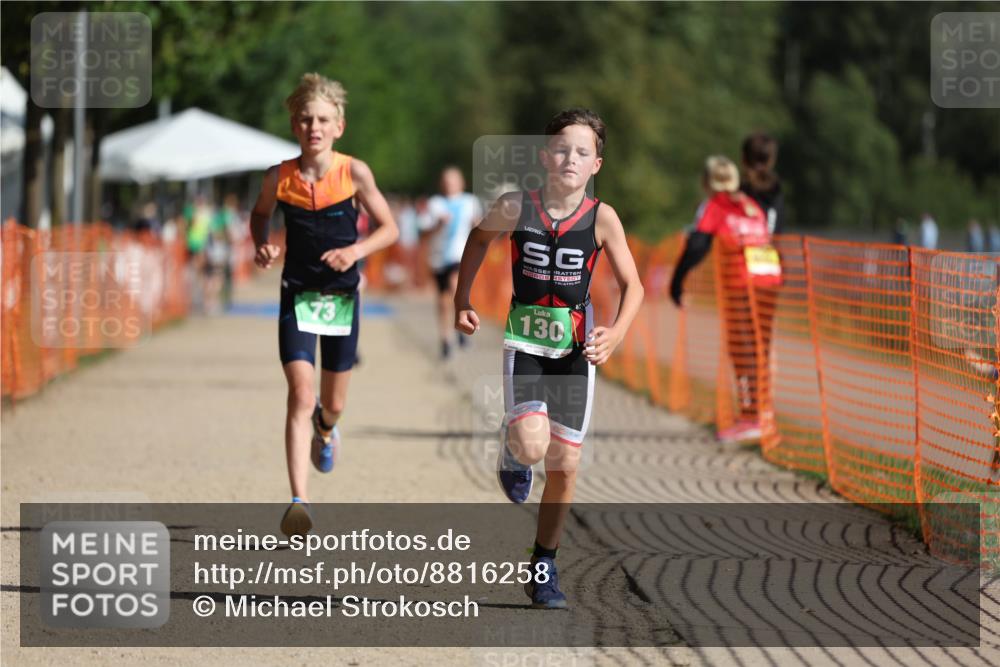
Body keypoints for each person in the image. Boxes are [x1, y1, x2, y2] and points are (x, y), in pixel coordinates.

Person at [454, 109, 643, 609]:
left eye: (582, 152)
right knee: (534, 448)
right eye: (561, 149)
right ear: (544, 156)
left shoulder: (602, 218)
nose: (570, 159)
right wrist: (462, 299)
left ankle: (543, 565)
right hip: (526, 342)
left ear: (596, 164)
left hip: (576, 350)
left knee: (566, 463)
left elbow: (634, 286)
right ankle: (514, 447)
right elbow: (476, 240)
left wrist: (617, 334)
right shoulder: (517, 205)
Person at [250, 73, 398, 536]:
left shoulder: (354, 173)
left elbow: (389, 228)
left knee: (331, 404)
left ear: (339, 126)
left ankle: (327, 429)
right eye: (305, 119)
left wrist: (354, 252)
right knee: (301, 393)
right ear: (294, 125)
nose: (314, 127)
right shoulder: (280, 176)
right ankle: (300, 501)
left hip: (340, 299)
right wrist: (262, 244)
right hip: (297, 292)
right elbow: (259, 216)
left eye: (323, 120)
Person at [669, 156, 781, 444]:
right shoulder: (749, 203)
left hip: (743, 283)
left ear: (706, 182)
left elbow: (697, 244)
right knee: (759, 349)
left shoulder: (715, 205)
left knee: (742, 348)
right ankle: (762, 414)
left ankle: (751, 418)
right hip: (769, 279)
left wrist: (677, 283)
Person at [421, 167, 483, 359]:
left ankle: (461, 328)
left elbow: (479, 227)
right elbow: (424, 233)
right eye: (446, 180)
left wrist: (478, 226)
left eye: (453, 180)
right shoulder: (435, 204)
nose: (450, 184)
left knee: (454, 285)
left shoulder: (470, 201)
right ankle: (445, 338)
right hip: (439, 256)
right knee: (442, 300)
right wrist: (437, 225)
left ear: (461, 182)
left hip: (460, 255)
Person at [739, 132, 785, 235]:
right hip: (771, 250)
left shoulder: (734, 193)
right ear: (771, 160)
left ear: (743, 158)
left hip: (739, 250)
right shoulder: (776, 191)